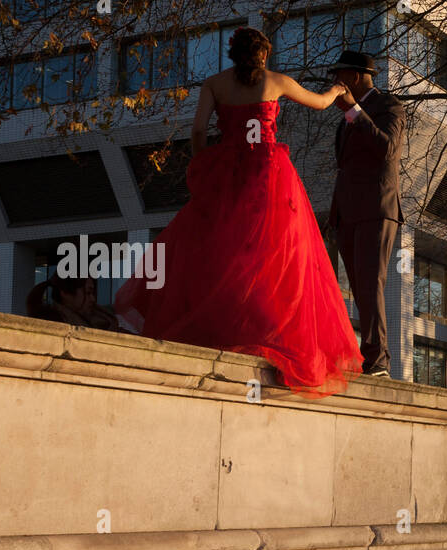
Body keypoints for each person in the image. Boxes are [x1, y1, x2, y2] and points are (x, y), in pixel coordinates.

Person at [114, 27, 362, 397]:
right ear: (263, 55)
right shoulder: (276, 81)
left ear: (233, 54)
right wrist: (338, 91)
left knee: (218, 248)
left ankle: (222, 326)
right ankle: (263, 328)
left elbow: (198, 130)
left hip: (229, 169)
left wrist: (205, 163)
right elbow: (321, 103)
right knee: (271, 253)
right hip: (265, 169)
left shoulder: (213, 84)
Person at [326, 50, 406, 378]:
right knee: (358, 288)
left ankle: (378, 361)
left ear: (355, 78)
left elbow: (387, 149)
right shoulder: (348, 117)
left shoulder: (389, 106)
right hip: (347, 213)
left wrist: (354, 111)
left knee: (371, 283)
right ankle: (366, 356)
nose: (335, 83)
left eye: (339, 76)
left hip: (377, 208)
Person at [27, 274, 118, 331]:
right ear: (65, 293)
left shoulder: (100, 319)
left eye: (92, 293)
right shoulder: (53, 325)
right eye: (88, 293)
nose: (92, 299)